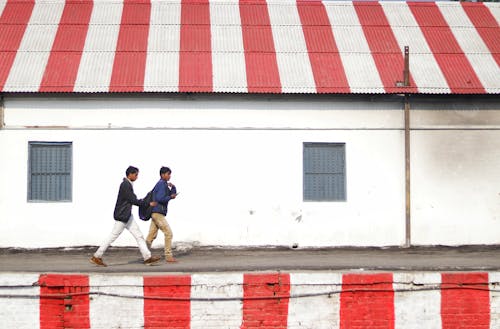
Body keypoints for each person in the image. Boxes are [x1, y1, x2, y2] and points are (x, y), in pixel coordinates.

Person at [90, 166, 161, 266]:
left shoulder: (128, 184)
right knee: (112, 237)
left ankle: (147, 257)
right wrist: (148, 204)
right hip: (123, 216)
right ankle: (97, 256)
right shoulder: (125, 185)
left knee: (139, 235)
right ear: (130, 174)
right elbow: (133, 200)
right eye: (136, 174)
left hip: (127, 215)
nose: (137, 177)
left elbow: (132, 199)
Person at [146, 166, 178, 263]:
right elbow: (160, 198)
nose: (169, 176)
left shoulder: (163, 184)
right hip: (158, 213)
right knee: (168, 233)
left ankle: (145, 254)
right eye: (168, 174)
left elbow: (169, 196)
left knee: (151, 235)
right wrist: (170, 197)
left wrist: (173, 188)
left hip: (156, 212)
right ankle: (168, 256)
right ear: (162, 174)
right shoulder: (161, 184)